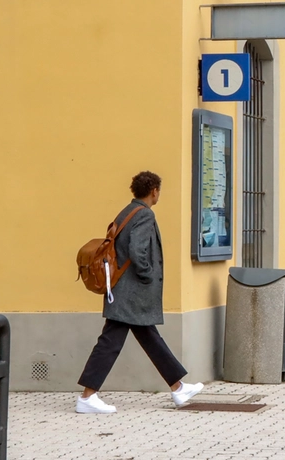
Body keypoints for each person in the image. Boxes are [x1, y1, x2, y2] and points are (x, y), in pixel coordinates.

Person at [76, 171, 203, 414]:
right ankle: (87, 396)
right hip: (131, 291)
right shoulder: (144, 215)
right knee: (111, 342)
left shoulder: (128, 211)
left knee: (148, 336)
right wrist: (146, 274)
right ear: (154, 190)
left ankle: (178, 387)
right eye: (159, 191)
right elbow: (136, 249)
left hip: (123, 291)